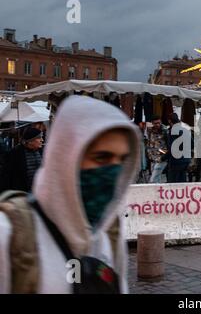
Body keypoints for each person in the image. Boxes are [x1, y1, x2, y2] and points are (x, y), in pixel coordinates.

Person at [0, 95, 141, 293]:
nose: (113, 172)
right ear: (68, 156)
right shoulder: (8, 235)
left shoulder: (109, 231)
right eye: (101, 157)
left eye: (122, 160)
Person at [0, 127, 43, 193]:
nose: (42, 140)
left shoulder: (42, 151)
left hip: (40, 192)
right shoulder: (14, 154)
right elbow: (6, 177)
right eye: (39, 138)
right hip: (22, 194)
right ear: (30, 141)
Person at [167, 113, 191, 183]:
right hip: (186, 160)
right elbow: (192, 144)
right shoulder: (185, 129)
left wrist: (163, 157)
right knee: (182, 182)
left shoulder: (173, 131)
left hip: (176, 161)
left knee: (173, 184)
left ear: (169, 121)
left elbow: (173, 148)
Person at [147, 115, 169, 183]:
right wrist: (148, 153)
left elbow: (169, 144)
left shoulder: (165, 130)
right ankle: (158, 192)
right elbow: (149, 141)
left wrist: (165, 155)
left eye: (159, 123)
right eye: (155, 123)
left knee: (153, 179)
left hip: (161, 158)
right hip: (153, 157)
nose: (157, 124)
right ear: (152, 123)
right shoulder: (150, 130)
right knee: (157, 178)